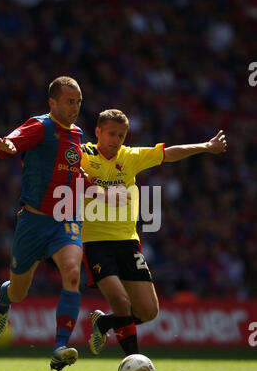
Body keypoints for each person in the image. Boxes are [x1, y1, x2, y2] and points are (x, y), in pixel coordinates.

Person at [81, 109, 227, 357]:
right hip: (95, 242)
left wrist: (205, 146)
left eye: (121, 135)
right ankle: (133, 363)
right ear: (98, 132)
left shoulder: (130, 156)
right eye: (111, 134)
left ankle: (104, 323)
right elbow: (59, 163)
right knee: (122, 302)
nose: (116, 140)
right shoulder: (83, 154)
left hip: (128, 242)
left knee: (148, 312)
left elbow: (169, 153)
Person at [0, 76, 85, 371]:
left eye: (79, 102)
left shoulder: (78, 134)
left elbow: (74, 172)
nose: (75, 107)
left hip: (65, 219)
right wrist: (6, 145)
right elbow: (10, 142)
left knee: (72, 273)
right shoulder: (40, 125)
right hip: (33, 220)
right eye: (70, 102)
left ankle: (60, 347)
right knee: (20, 291)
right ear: (52, 102)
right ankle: (4, 300)